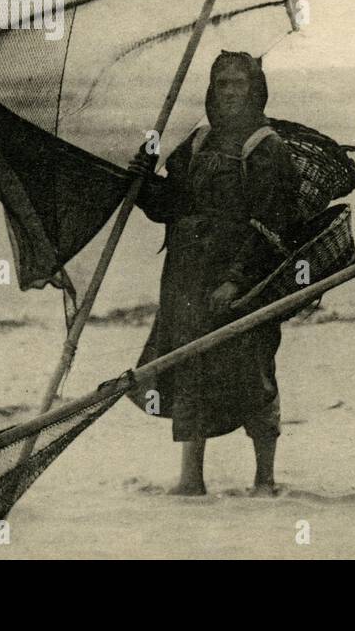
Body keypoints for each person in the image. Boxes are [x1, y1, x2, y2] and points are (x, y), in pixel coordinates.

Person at [127, 51, 298, 496]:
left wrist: (236, 280)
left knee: (253, 370)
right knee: (190, 368)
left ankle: (265, 478)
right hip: (187, 279)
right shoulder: (199, 142)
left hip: (243, 284)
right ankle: (191, 478)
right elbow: (170, 203)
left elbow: (272, 225)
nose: (231, 93)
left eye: (240, 83)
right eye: (222, 83)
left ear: (256, 89)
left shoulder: (267, 149)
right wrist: (143, 180)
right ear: (211, 89)